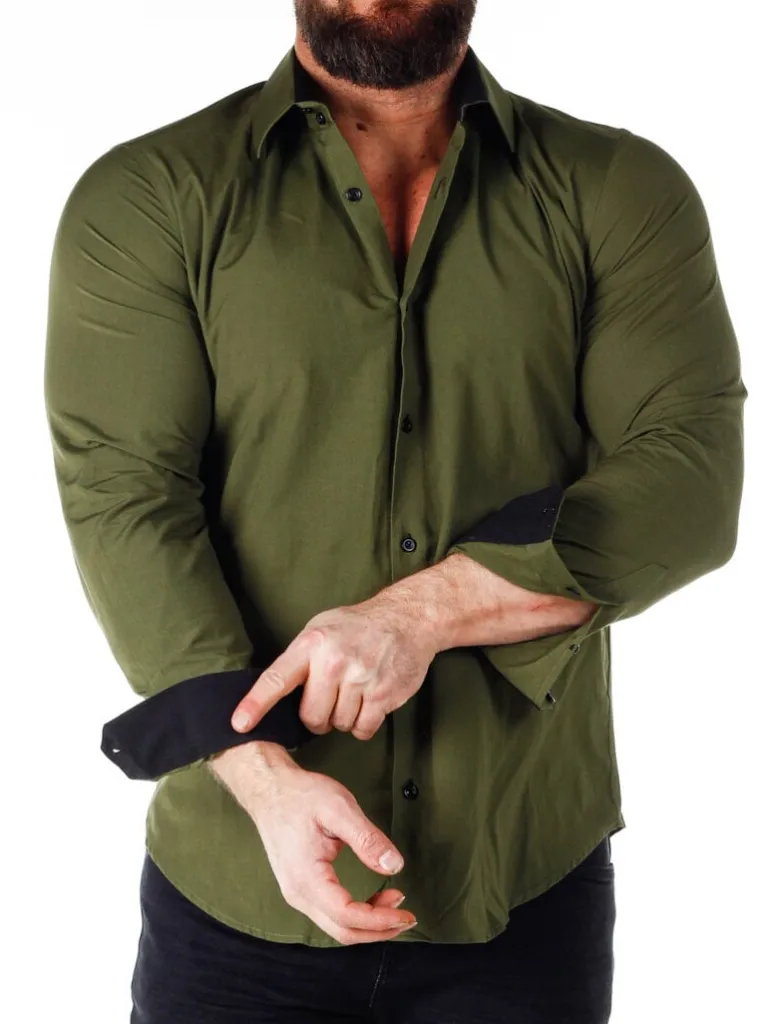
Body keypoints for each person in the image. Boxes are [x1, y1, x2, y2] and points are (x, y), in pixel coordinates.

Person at [43, 1, 747, 1021]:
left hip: (522, 879)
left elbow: (690, 481)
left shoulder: (619, 190)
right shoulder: (151, 196)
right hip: (238, 885)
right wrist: (262, 777)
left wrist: (419, 615)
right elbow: (126, 499)